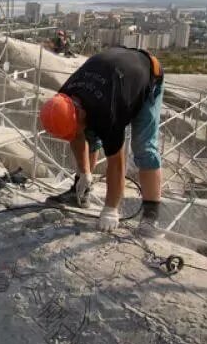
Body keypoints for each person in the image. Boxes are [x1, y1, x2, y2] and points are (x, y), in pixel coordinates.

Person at [39, 46, 165, 234]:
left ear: (79, 114)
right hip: (113, 70)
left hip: (147, 74)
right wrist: (84, 173)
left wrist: (110, 209)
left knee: (144, 148)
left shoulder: (109, 112)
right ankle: (81, 191)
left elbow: (116, 164)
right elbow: (76, 134)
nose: (75, 133)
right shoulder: (64, 97)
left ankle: (151, 216)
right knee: (88, 133)